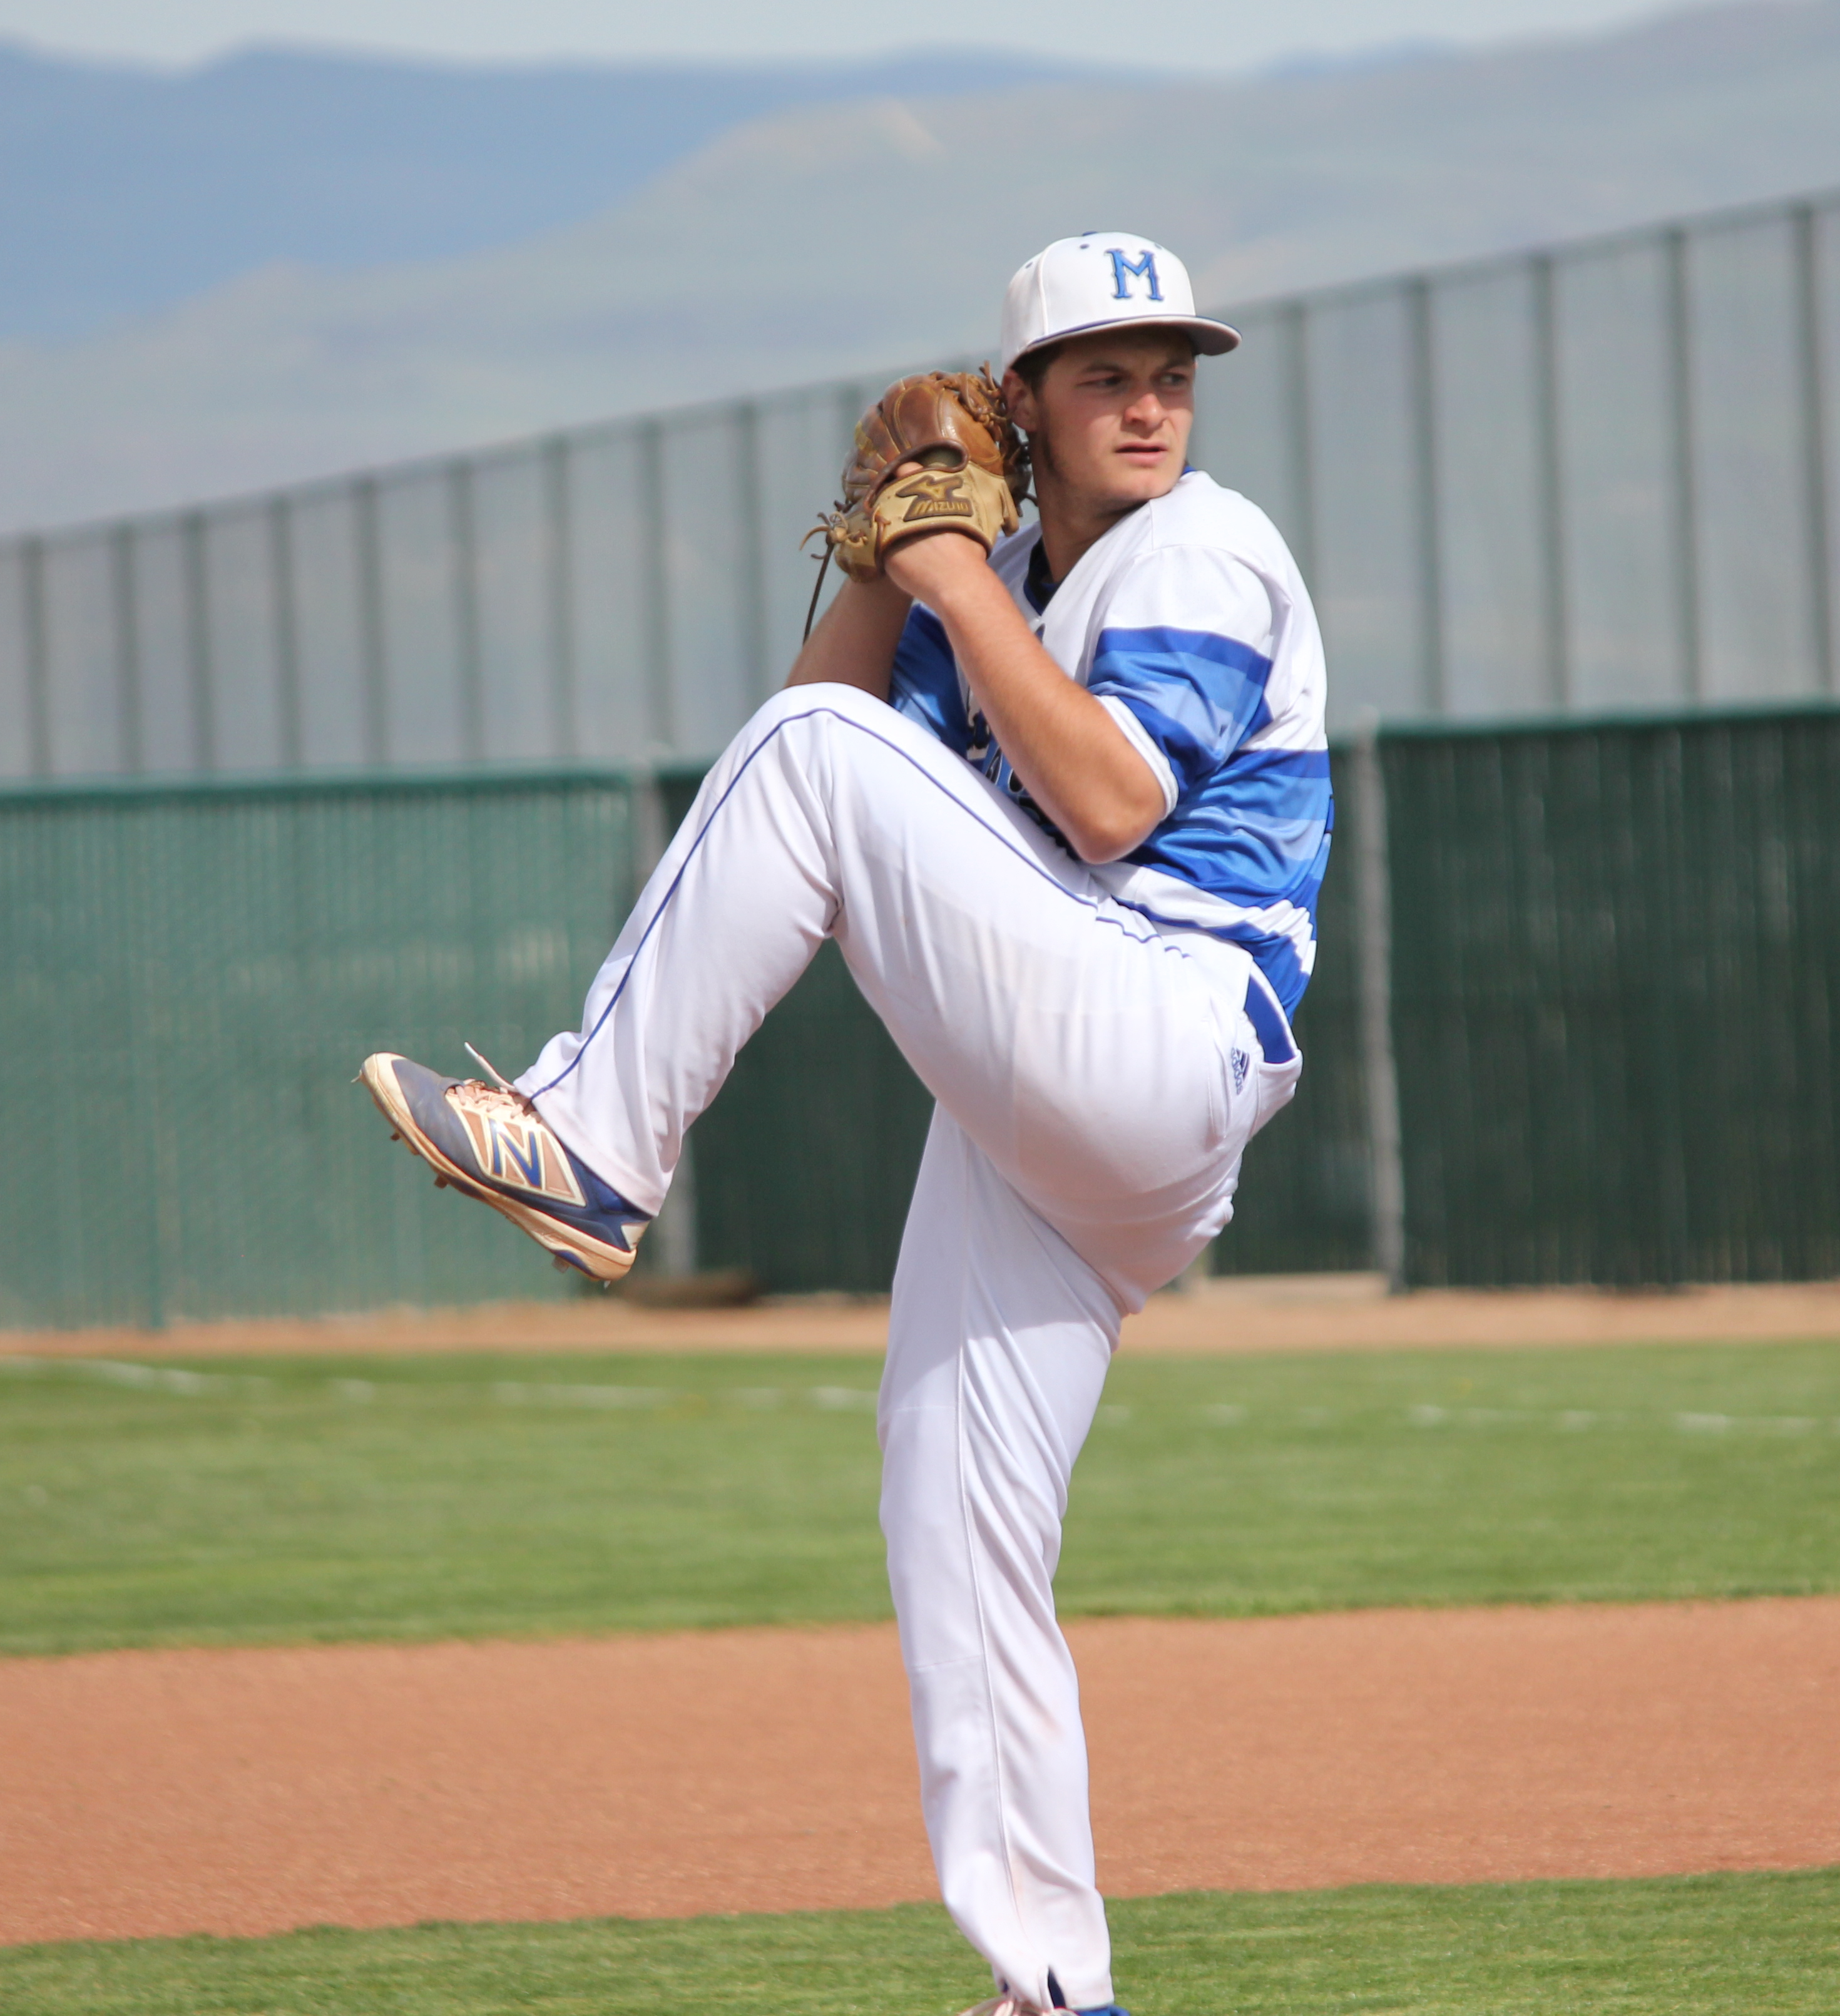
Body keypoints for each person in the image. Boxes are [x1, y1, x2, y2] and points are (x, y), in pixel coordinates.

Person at [359, 232, 1332, 2016]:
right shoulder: (1005, 577)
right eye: (1106, 374)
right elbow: (818, 724)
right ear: (1022, 402)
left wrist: (948, 566)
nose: (1151, 405)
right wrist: (897, 555)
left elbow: (1111, 804)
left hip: (1160, 1031)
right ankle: (1053, 1989)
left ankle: (591, 1140)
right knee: (951, 1515)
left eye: (1173, 372)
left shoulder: (1206, 547)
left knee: (817, 765)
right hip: (1062, 1117)